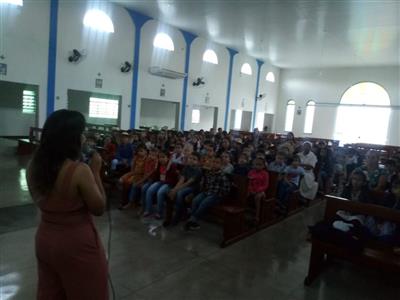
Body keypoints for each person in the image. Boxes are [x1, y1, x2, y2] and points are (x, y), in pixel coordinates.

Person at [27, 109, 108, 299]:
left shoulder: (33, 165)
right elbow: (99, 208)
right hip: (76, 244)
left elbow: (40, 199)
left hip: (45, 238)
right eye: (81, 133)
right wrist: (95, 171)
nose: (84, 138)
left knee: (52, 292)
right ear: (71, 138)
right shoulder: (79, 170)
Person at [184, 156, 231, 231]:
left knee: (204, 203)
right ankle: (193, 221)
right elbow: (204, 184)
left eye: (217, 163)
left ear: (221, 165)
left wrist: (218, 195)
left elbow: (226, 189)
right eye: (213, 162)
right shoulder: (208, 172)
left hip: (216, 195)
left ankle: (192, 219)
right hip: (206, 192)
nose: (214, 164)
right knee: (195, 200)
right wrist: (202, 186)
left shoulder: (223, 176)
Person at [169, 152, 203, 225]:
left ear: (198, 162)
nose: (191, 160)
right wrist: (174, 189)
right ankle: (181, 213)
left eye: (194, 159)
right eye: (190, 158)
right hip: (186, 186)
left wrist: (176, 190)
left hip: (194, 188)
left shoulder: (198, 170)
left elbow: (188, 183)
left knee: (179, 193)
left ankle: (177, 216)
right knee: (172, 192)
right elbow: (181, 180)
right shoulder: (186, 167)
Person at [248, 157, 270, 223]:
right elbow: (248, 183)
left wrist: (257, 190)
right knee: (244, 193)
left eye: (260, 165)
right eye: (256, 164)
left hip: (261, 191)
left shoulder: (265, 173)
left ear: (263, 166)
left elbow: (265, 185)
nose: (258, 166)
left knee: (258, 197)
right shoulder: (251, 172)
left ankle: (257, 215)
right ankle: (243, 211)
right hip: (252, 190)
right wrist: (251, 190)